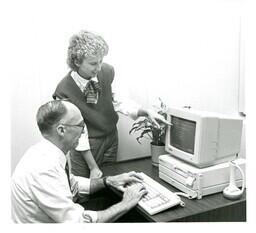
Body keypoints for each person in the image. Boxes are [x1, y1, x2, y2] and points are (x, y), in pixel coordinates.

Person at [53, 30, 170, 179]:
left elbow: (120, 100)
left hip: (110, 138)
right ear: (77, 62)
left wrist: (145, 112)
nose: (99, 67)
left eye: (101, 61)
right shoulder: (64, 90)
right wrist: (93, 166)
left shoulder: (106, 72)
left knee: (110, 182)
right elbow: (78, 132)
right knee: (84, 190)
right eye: (93, 63)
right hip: (84, 145)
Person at [11, 100, 147, 223]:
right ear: (61, 130)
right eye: (81, 125)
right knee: (132, 215)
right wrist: (127, 202)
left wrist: (108, 181)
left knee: (110, 201)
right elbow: (80, 223)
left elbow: (72, 184)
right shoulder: (43, 169)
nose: (83, 132)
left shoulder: (45, 152)